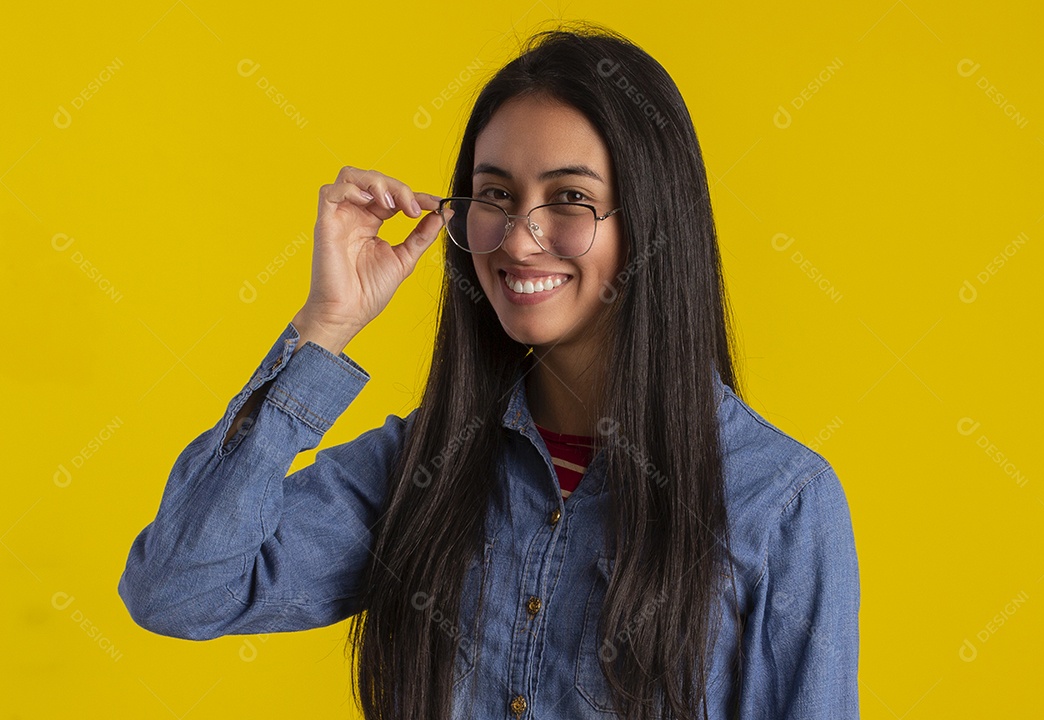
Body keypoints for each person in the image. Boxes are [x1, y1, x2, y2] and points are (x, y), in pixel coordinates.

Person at [118, 21, 860, 720]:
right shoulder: (423, 465)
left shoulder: (780, 501)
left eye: (569, 199)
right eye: (496, 195)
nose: (519, 238)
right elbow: (180, 591)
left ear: (650, 224)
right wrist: (325, 326)